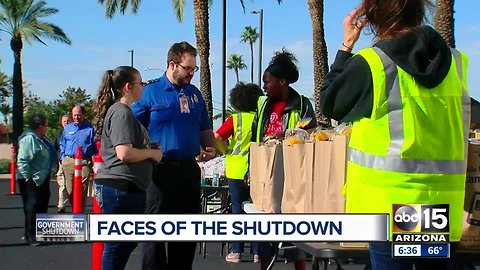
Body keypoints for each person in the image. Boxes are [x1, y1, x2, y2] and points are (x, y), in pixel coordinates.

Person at [320, 1, 469, 269]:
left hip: (389, 209)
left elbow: (330, 103)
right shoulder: (454, 62)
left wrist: (345, 47)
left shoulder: (374, 64)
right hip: (440, 207)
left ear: (374, 15)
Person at [132, 41, 216, 270]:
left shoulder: (194, 94)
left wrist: (211, 146)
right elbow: (130, 125)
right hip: (159, 170)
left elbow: (204, 128)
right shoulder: (150, 92)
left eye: (194, 69)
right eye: (188, 68)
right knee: (155, 231)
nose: (192, 73)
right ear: (172, 64)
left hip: (189, 170)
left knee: (187, 230)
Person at [92, 66, 163, 270]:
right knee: (116, 246)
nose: (144, 87)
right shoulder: (121, 113)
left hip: (127, 188)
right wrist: (152, 154)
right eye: (141, 83)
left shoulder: (125, 113)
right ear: (128, 87)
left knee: (125, 243)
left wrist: (148, 148)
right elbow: (124, 153)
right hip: (119, 188)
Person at [251, 51, 316, 270]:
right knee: (263, 228)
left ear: (282, 82)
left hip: (293, 176)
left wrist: (286, 134)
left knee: (294, 228)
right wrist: (250, 170)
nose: (264, 87)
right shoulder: (262, 105)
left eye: (267, 82)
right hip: (266, 175)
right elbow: (255, 137)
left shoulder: (303, 105)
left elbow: (313, 135)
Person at [215, 82, 263, 263]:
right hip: (258, 170)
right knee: (257, 210)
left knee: (238, 211)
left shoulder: (235, 120)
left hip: (235, 169)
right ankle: (258, 251)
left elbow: (217, 137)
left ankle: (236, 251)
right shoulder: (261, 118)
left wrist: (224, 150)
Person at [17, 113, 57, 246]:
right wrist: (27, 176)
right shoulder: (29, 139)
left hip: (42, 178)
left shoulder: (42, 138)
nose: (47, 127)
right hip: (32, 179)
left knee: (41, 205)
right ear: (40, 126)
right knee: (32, 207)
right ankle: (31, 236)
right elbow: (23, 159)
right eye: (45, 125)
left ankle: (39, 233)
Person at [60, 105, 96, 211]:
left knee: (82, 188)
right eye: (74, 115)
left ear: (83, 115)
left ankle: (80, 211)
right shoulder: (68, 128)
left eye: (78, 115)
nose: (76, 117)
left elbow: (95, 146)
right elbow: (62, 143)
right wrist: (63, 157)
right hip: (69, 161)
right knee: (69, 189)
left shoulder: (90, 129)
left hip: (84, 161)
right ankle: (75, 209)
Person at [54, 114, 71, 213]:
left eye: (68, 121)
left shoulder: (75, 133)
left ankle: (76, 204)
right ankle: (61, 205)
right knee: (62, 184)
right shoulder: (58, 134)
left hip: (71, 162)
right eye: (64, 121)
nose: (66, 123)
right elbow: (55, 148)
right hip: (61, 162)